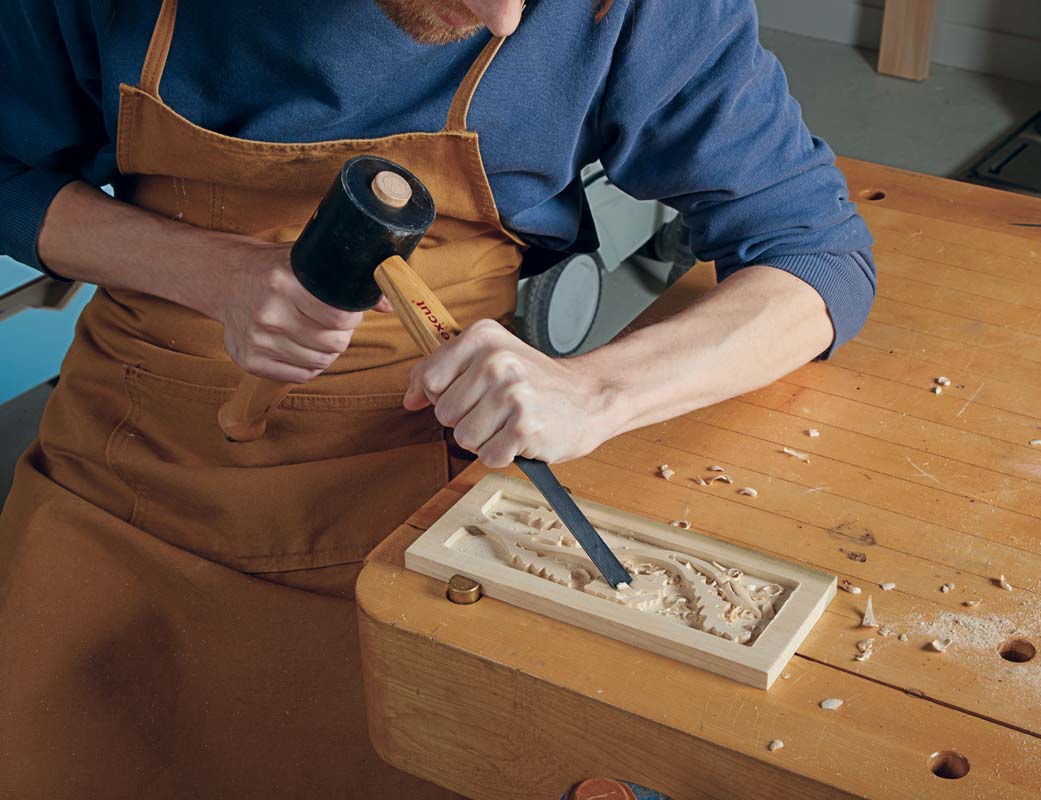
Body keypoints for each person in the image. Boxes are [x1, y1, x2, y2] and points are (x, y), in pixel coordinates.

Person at [0, 0, 876, 796]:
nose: (504, 18)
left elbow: (816, 256)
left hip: (424, 472)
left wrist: (596, 390)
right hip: (134, 453)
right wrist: (207, 273)